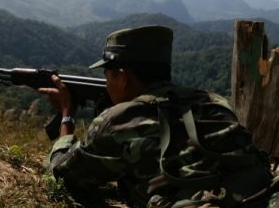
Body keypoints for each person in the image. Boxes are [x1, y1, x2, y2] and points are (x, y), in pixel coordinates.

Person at [38, 25, 273, 207]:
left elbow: (61, 175)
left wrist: (67, 112)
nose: (107, 84)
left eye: (108, 75)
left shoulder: (119, 120)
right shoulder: (215, 102)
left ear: (123, 76)